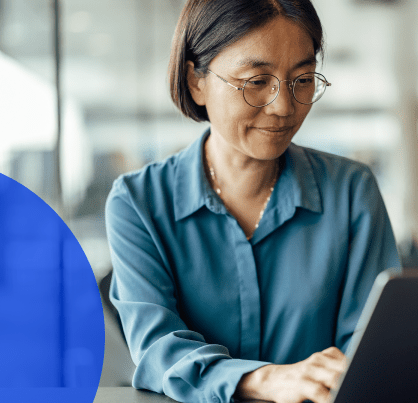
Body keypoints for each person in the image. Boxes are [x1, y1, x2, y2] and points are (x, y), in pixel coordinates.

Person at [105, 1, 401, 402]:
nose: (283, 107)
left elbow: (373, 350)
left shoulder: (351, 191)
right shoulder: (138, 203)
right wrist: (267, 379)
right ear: (196, 81)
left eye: (302, 79)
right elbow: (159, 350)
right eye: (257, 81)